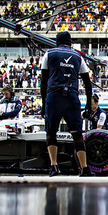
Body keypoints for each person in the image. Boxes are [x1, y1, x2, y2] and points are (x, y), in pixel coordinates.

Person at [41, 31, 93, 177]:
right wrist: (88, 104)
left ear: (57, 42)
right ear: (70, 43)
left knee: (51, 132)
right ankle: (84, 168)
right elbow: (87, 84)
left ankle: (54, 166)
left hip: (53, 96)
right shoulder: (78, 56)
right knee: (77, 133)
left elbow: (43, 82)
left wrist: (43, 104)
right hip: (71, 96)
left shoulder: (49, 54)